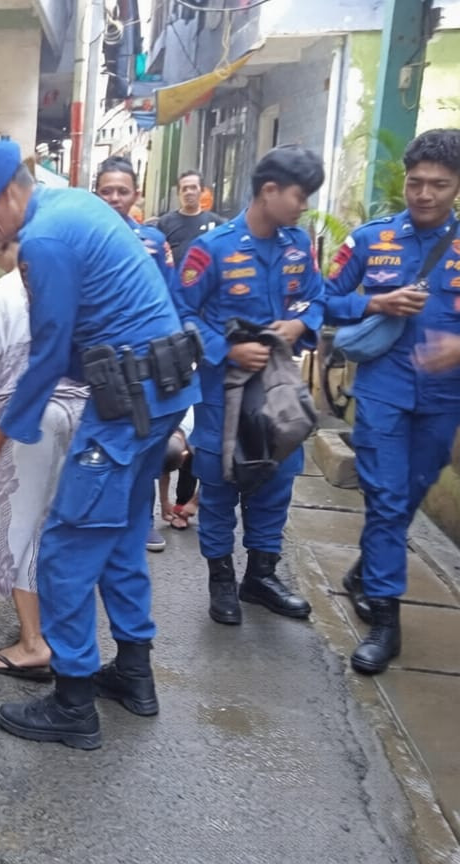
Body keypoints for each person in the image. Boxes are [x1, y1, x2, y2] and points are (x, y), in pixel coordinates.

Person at [0, 141, 201, 750]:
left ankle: (74, 703)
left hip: (127, 406)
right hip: (156, 394)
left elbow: (50, 352)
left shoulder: (46, 240)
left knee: (65, 547)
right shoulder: (73, 206)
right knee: (121, 535)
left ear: (10, 190)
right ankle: (133, 675)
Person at [324, 128, 460, 675]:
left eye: (438, 185)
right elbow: (322, 300)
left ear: (456, 187)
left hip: (444, 398)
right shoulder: (370, 240)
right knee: (384, 497)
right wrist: (374, 304)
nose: (424, 193)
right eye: (415, 182)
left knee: (408, 495)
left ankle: (366, 568)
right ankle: (385, 618)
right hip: (382, 390)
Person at [173, 146, 326, 626]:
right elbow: (181, 312)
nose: (304, 206)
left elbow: (316, 299)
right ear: (269, 191)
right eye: (300, 196)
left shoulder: (298, 246)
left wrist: (300, 325)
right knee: (220, 486)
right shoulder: (213, 248)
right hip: (225, 393)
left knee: (276, 481)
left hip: (279, 391)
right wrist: (227, 349)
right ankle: (221, 581)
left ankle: (260, 576)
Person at [0, 235, 88, 679]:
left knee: (19, 528)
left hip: (26, 422)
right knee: (63, 525)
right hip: (85, 413)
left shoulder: (0, 295)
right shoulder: (74, 279)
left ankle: (34, 642)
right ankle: (61, 632)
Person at [93, 156, 181, 551]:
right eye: (106, 191)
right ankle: (100, 523)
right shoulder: (83, 237)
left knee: (143, 443)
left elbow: (170, 300)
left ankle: (141, 521)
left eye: (122, 191)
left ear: (136, 195)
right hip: (97, 360)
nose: (114, 198)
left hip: (145, 362)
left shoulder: (153, 242)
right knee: (99, 447)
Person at [158, 170, 226, 265]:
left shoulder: (216, 223)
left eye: (193, 188)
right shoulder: (165, 223)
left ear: (202, 191)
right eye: (184, 189)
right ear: (178, 193)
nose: (188, 192)